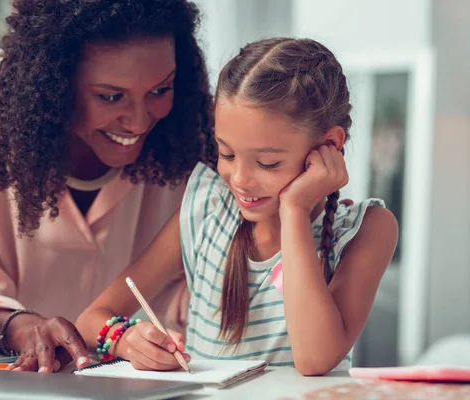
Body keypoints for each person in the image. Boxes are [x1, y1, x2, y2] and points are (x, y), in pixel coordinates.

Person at [0, 0, 215, 373]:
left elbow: (188, 275)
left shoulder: (192, 123)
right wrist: (25, 330)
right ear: (55, 83)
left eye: (159, 89)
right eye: (110, 96)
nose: (138, 121)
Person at [77, 37, 398, 375]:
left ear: (329, 145)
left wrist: (294, 211)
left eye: (268, 163)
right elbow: (91, 318)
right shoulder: (208, 206)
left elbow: (314, 358)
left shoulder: (367, 229)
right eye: (226, 154)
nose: (240, 179)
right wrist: (127, 341)